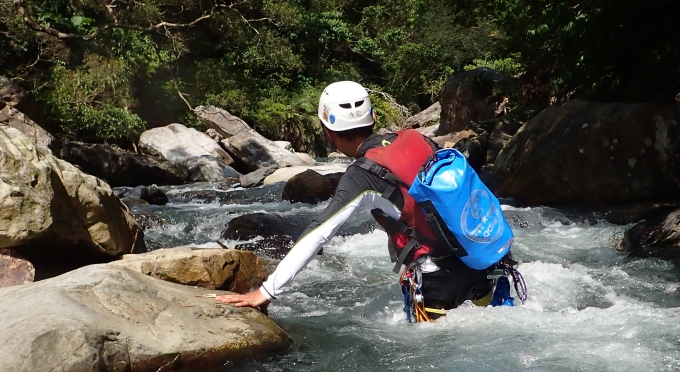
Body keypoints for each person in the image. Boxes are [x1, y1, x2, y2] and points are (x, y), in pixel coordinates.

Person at [217, 81, 511, 316]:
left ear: (328, 132)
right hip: (485, 261)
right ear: (374, 117)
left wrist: (266, 292)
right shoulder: (414, 137)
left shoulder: (363, 175)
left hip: (438, 282)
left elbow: (318, 234)